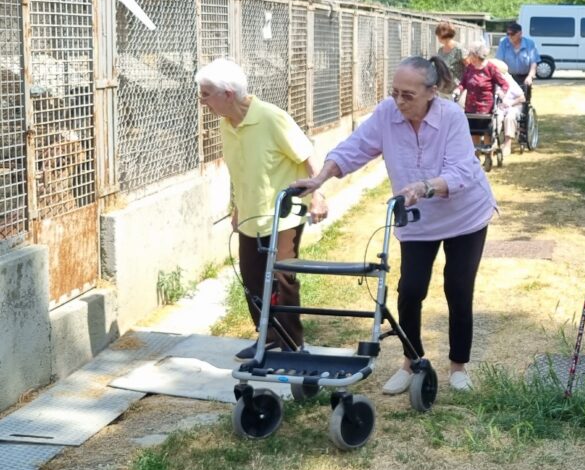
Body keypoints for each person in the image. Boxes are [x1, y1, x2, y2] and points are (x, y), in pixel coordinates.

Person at [292, 56, 497, 393]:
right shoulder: (388, 113)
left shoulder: (451, 116)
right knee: (410, 290)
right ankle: (411, 360)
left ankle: (458, 366)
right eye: (395, 93)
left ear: (431, 92)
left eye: (408, 95)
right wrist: (320, 179)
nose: (399, 101)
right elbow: (355, 147)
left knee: (458, 289)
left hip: (464, 215)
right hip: (417, 216)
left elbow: (461, 171)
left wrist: (425, 186)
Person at [195, 59, 328, 361]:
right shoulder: (226, 125)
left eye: (206, 94)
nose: (202, 101)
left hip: (284, 213)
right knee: (253, 278)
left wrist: (318, 195)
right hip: (251, 214)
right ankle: (268, 336)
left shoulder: (270, 117)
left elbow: (307, 156)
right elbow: (242, 170)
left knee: (283, 276)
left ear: (228, 94)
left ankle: (292, 344)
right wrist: (237, 207)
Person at [457, 39, 509, 149]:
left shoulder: (491, 68)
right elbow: (463, 83)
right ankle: (475, 156)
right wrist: (458, 90)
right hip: (470, 108)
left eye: (470, 54)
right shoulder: (469, 68)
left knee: (486, 133)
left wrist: (501, 92)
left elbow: (504, 84)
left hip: (486, 110)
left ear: (476, 55)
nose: (468, 56)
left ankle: (488, 154)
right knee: (473, 133)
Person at [486, 58, 526, 158]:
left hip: (513, 105)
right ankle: (494, 142)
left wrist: (511, 103)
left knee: (509, 117)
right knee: (496, 118)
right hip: (498, 107)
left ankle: (507, 144)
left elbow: (522, 98)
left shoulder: (508, 80)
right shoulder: (489, 80)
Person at [495, 21, 540, 104]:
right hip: (508, 77)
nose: (509, 36)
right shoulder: (503, 42)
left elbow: (534, 63)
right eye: (508, 34)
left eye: (512, 34)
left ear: (520, 33)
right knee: (506, 101)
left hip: (524, 78)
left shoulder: (530, 43)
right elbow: (499, 62)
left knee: (524, 102)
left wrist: (530, 76)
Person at [434, 21, 465, 88]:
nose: (437, 37)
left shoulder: (459, 49)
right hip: (442, 88)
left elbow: (469, 68)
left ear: (444, 35)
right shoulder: (440, 50)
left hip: (456, 89)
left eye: (438, 35)